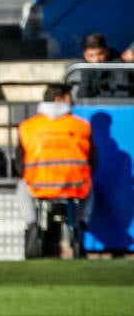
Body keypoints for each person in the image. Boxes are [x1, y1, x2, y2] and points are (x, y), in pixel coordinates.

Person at [16, 82, 97, 251]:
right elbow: (94, 160)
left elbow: (19, 163)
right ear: (59, 99)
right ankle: (81, 225)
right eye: (69, 97)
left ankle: (32, 225)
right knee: (90, 189)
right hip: (75, 186)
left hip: (39, 187)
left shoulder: (28, 127)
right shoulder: (81, 126)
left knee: (22, 188)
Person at [75, 32, 132, 98]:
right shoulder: (85, 65)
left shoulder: (118, 64)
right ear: (85, 55)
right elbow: (83, 92)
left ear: (106, 51)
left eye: (100, 54)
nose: (96, 60)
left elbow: (123, 94)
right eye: (91, 55)